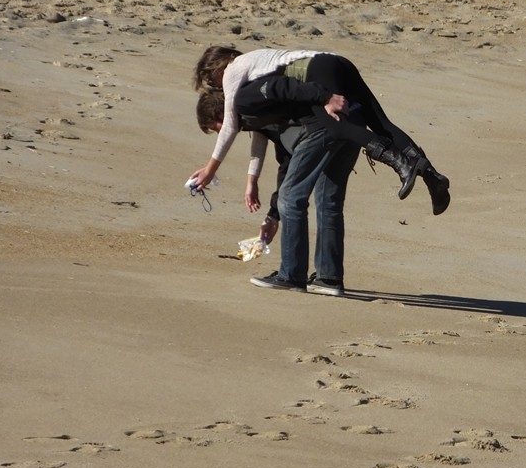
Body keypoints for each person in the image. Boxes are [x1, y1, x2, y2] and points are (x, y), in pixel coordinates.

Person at [189, 46, 450, 216]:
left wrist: (210, 170)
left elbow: (231, 124)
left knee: (337, 127)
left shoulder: (233, 70)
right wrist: (252, 180)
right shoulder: (256, 63)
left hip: (316, 71)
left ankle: (401, 163)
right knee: (381, 122)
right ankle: (431, 175)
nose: (219, 88)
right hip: (337, 62)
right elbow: (259, 132)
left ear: (216, 69)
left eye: (212, 82)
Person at [195, 84, 356, 295]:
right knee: (328, 202)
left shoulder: (253, 107)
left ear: (221, 114)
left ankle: (291, 275)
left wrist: (211, 170)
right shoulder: (259, 115)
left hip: (318, 132)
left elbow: (286, 161)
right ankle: (329, 278)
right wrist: (270, 212)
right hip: (347, 126)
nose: (220, 133)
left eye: (215, 127)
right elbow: (267, 148)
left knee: (290, 199)